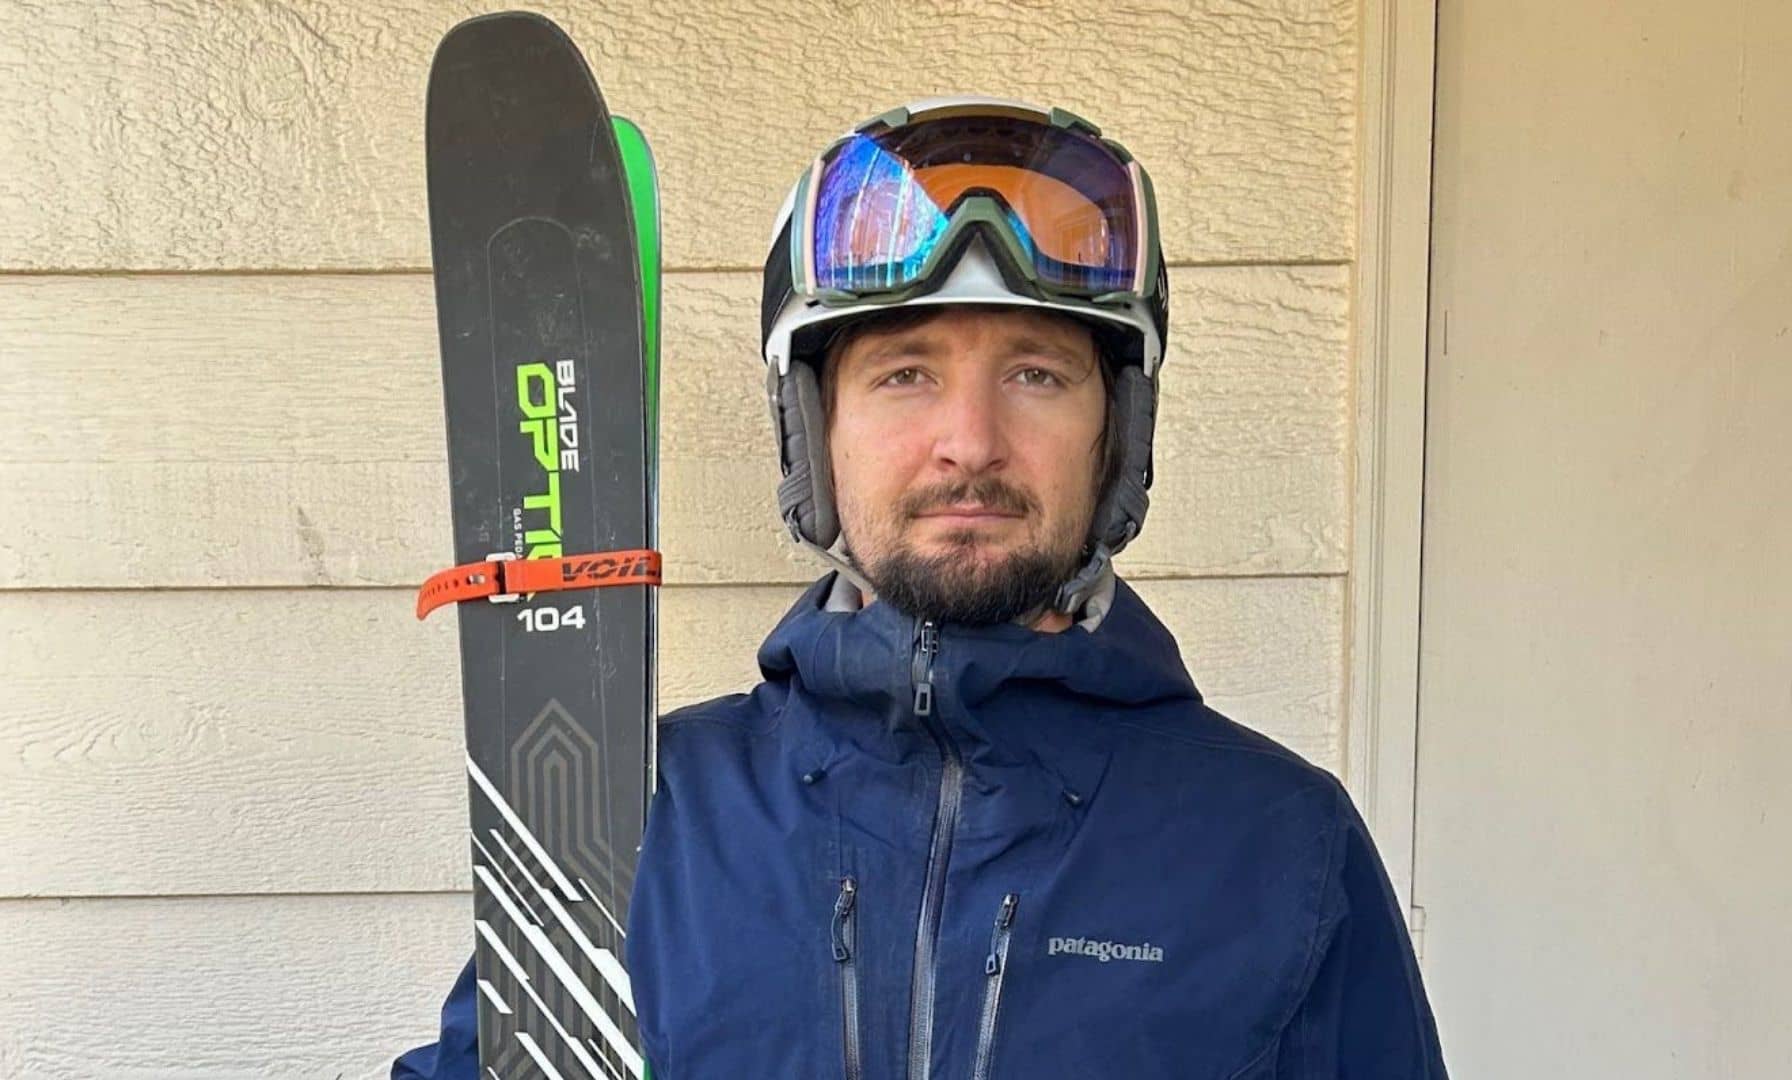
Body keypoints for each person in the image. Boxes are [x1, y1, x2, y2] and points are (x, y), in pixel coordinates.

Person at [395, 96, 1447, 1079]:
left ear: (1117, 438)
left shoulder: (1278, 845)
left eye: (1037, 374)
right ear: (815, 435)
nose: (970, 443)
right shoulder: (640, 814)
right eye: (905, 373)